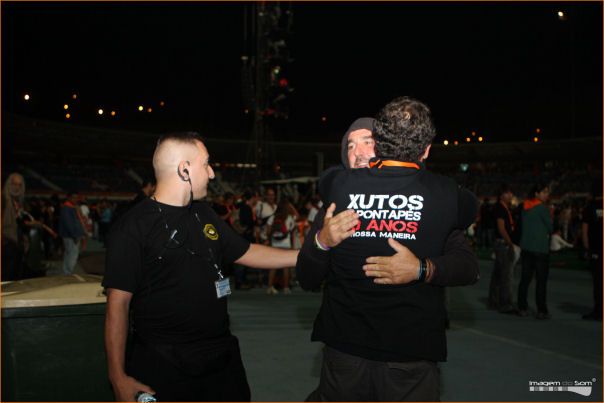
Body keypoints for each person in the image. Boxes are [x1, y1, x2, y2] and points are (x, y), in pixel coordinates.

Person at [301, 97, 478, 402]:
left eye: (366, 142)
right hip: (349, 350)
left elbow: (467, 267)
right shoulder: (335, 201)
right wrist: (322, 241)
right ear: (425, 149)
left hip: (406, 354)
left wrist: (421, 268)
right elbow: (307, 277)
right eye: (350, 145)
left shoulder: (336, 186)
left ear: (381, 146)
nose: (358, 152)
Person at [103, 132, 298, 402]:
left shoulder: (204, 213)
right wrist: (117, 376)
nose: (212, 173)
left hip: (220, 357)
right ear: (184, 169)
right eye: (205, 164)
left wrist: (309, 253)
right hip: (164, 362)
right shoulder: (132, 226)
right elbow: (118, 305)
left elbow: (246, 251)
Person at [517, 183, 553, 319]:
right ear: (537, 194)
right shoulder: (542, 208)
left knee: (525, 280)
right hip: (540, 249)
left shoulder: (524, 206)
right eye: (544, 192)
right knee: (541, 281)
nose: (546, 194)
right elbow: (550, 227)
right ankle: (541, 310)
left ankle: (522, 307)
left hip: (526, 247)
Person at [488, 184, 519, 313]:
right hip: (503, 243)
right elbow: (501, 228)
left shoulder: (503, 207)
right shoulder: (500, 208)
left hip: (500, 243)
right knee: (506, 275)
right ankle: (506, 303)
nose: (511, 195)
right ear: (502, 195)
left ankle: (494, 301)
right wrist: (510, 243)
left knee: (498, 273)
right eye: (508, 193)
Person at [266, 199, 297, 295]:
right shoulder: (289, 218)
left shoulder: (272, 217)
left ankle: (270, 287)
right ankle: (286, 288)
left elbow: (268, 232)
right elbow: (292, 232)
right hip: (286, 244)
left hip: (275, 244)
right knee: (286, 267)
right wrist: (292, 246)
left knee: (273, 266)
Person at [581, 184, 602, 321]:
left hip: (596, 248)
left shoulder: (590, 207)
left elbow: (585, 230)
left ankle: (599, 311)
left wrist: (587, 248)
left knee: (598, 281)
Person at [2, 173, 27, 280]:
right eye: (14, 184)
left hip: (16, 245)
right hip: (6, 244)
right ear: (8, 184)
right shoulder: (3, 199)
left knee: (15, 277)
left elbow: (18, 224)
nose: (17, 187)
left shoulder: (17, 202)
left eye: (19, 185)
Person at [58, 192, 86, 275]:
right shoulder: (67, 208)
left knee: (69, 253)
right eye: (73, 197)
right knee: (72, 254)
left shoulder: (71, 207)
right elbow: (69, 224)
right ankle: (68, 272)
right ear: (69, 198)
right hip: (71, 235)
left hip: (70, 234)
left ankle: (66, 272)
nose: (76, 199)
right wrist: (74, 235)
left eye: (76, 198)